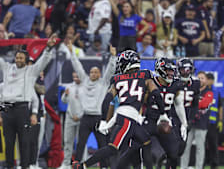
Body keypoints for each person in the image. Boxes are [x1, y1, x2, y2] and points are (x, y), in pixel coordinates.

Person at [73, 50, 169, 169]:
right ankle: (83, 165)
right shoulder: (146, 75)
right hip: (127, 118)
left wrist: (104, 120)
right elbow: (157, 94)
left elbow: (106, 100)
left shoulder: (118, 79)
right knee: (113, 148)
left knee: (145, 141)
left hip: (128, 117)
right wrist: (163, 113)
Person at [0, 33, 57, 168]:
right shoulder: (7, 68)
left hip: (22, 109)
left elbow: (43, 61)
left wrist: (48, 48)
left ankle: (25, 166)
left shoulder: (31, 71)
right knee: (8, 142)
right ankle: (9, 166)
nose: (18, 59)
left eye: (21, 58)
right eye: (17, 57)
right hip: (7, 109)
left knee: (24, 141)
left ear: (26, 60)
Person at [68, 40, 116, 168]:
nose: (93, 74)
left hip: (98, 118)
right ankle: (77, 164)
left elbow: (111, 70)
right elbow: (77, 66)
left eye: (96, 72)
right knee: (80, 143)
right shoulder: (84, 81)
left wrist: (113, 56)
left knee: (102, 144)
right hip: (86, 117)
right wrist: (72, 53)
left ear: (100, 74)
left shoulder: (103, 83)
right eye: (92, 72)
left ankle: (104, 166)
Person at [133, 58, 188, 168]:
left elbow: (178, 104)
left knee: (173, 154)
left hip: (165, 121)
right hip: (150, 120)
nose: (172, 73)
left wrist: (184, 123)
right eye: (169, 71)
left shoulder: (175, 85)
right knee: (139, 148)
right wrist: (139, 116)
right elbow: (140, 101)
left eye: (172, 71)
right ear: (161, 70)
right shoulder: (150, 83)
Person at [181, 71, 213, 169]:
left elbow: (204, 104)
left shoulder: (208, 92)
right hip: (189, 123)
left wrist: (193, 102)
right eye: (198, 78)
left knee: (200, 148)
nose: (200, 80)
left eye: (202, 78)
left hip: (201, 124)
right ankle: (183, 167)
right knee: (185, 147)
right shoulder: (192, 90)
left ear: (206, 80)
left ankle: (199, 167)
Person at [60, 72, 86, 169]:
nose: (76, 78)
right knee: (67, 141)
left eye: (77, 76)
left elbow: (87, 103)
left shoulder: (86, 87)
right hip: (70, 117)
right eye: (74, 76)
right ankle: (66, 163)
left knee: (82, 142)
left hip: (82, 118)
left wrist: (79, 116)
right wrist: (65, 95)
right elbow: (63, 100)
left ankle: (82, 163)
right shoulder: (69, 87)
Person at [206, 72, 223, 169]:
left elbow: (220, 107)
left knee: (213, 144)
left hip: (213, 123)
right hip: (203, 122)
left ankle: (215, 164)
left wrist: (220, 120)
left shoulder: (216, 93)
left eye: (209, 79)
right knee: (202, 145)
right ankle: (202, 163)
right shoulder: (202, 91)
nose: (208, 81)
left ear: (212, 81)